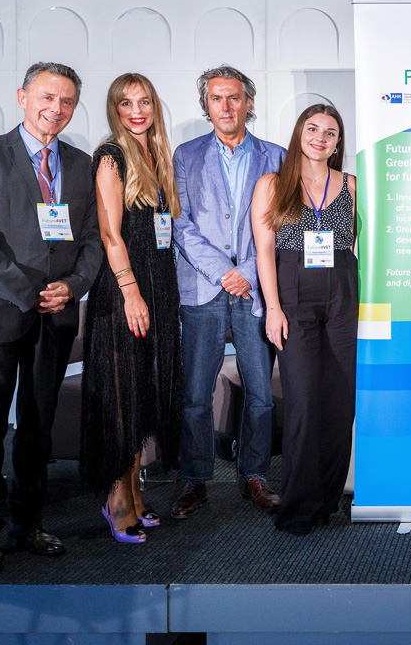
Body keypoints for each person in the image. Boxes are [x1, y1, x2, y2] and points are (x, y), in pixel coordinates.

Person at [0, 62, 103, 574]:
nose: (54, 109)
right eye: (45, 97)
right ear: (22, 97)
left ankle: (27, 522)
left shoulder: (82, 165)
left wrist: (74, 287)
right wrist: (30, 292)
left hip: (57, 315)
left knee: (37, 425)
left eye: (65, 102)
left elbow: (92, 241)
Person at [171, 65, 286, 518]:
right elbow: (180, 223)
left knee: (260, 391)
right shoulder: (185, 155)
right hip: (203, 286)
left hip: (257, 289)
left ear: (248, 103)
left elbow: (284, 227)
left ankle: (254, 475)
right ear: (206, 105)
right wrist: (224, 271)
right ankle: (195, 480)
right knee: (196, 393)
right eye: (217, 98)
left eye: (234, 97)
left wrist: (250, 276)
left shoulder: (277, 156)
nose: (226, 106)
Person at [80, 73, 183, 543]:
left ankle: (135, 494)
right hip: (125, 295)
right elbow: (109, 234)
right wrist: (132, 292)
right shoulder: (112, 156)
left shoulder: (155, 156)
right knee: (123, 397)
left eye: (144, 101)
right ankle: (116, 500)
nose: (137, 110)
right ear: (114, 110)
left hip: (157, 290)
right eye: (126, 103)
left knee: (144, 391)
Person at [251, 104, 358, 536]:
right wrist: (273, 308)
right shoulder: (273, 184)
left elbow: (361, 247)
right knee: (302, 402)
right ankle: (296, 505)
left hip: (342, 293)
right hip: (293, 293)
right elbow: (263, 253)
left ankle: (326, 501)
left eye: (330, 133)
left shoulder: (352, 185)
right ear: (299, 133)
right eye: (313, 129)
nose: (320, 138)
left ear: (338, 143)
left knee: (339, 402)